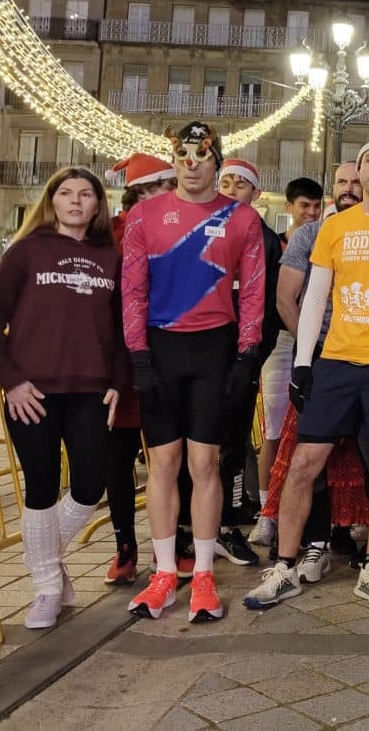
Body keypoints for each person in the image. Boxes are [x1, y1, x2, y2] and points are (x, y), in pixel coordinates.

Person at [244, 136, 369, 611]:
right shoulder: (334, 228)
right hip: (337, 360)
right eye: (368, 161)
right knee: (305, 461)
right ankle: (285, 566)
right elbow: (314, 297)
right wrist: (305, 360)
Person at [122, 121, 266, 623]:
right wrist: (138, 355)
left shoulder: (243, 219)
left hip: (214, 350)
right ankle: (164, 574)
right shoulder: (144, 215)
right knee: (162, 465)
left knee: (204, 465)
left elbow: (252, 291)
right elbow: (133, 291)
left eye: (201, 156)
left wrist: (247, 354)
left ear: (216, 162)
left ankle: (203, 575)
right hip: (160, 348)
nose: (191, 164)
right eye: (183, 155)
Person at [0, 167, 128, 628]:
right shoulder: (27, 251)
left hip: (91, 391)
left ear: (99, 205)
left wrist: (118, 382)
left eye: (86, 194)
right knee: (40, 488)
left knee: (88, 488)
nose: (76, 201)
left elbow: (122, 331)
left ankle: (47, 560)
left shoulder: (111, 258)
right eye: (66, 193)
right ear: (52, 201)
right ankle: (45, 586)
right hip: (33, 392)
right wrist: (11, 381)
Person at [102, 153, 176, 585]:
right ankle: (124, 545)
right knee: (119, 457)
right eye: (143, 191)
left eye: (159, 188)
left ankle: (171, 543)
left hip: (169, 353)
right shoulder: (113, 232)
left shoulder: (182, 228)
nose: (152, 198)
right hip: (122, 361)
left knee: (171, 455)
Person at [214, 158, 283, 566]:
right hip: (198, 357)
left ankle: (227, 525)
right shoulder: (194, 231)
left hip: (243, 359)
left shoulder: (267, 240)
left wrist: (254, 355)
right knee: (195, 446)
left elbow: (272, 306)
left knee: (233, 444)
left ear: (256, 194)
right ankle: (189, 529)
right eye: (226, 181)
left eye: (242, 184)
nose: (232, 188)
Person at [255, 176, 323, 525]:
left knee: (314, 432)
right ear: (289, 207)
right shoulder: (276, 245)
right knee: (275, 428)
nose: (311, 212)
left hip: (320, 344)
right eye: (304, 206)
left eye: (316, 206)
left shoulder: (327, 239)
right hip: (283, 343)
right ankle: (267, 512)